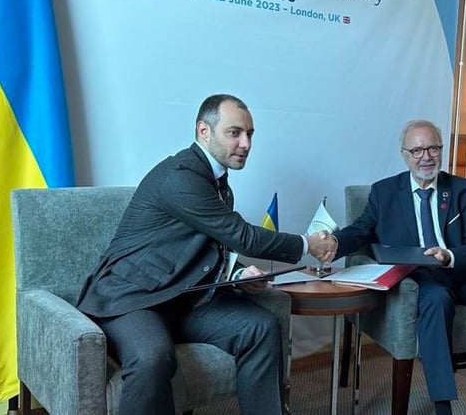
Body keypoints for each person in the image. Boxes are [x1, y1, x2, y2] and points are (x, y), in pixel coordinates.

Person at [76, 94, 335, 415]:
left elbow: (213, 247)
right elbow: (242, 236)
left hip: (181, 298)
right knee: (152, 356)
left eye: (250, 134)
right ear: (204, 131)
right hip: (131, 299)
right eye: (234, 132)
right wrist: (308, 244)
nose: (245, 144)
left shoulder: (218, 183)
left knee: (261, 327)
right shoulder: (180, 176)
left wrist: (238, 274)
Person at [332, 119, 466, 415]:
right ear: (404, 154)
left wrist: (448, 256)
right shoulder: (384, 192)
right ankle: (442, 406)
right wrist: (332, 243)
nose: (426, 157)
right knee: (436, 300)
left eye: (433, 148)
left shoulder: (461, 189)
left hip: (462, 271)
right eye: (417, 150)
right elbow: (360, 231)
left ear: (441, 149)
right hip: (420, 278)